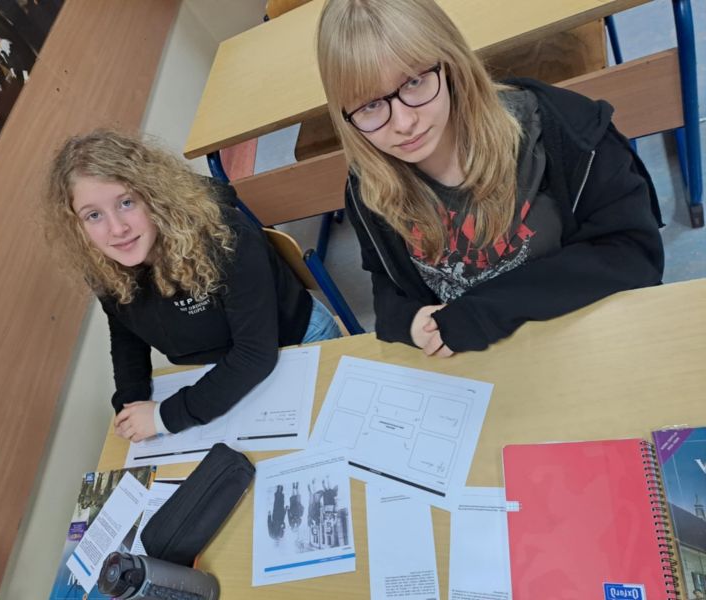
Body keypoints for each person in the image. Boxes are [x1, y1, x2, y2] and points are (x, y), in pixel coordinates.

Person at [316, 0, 663, 356]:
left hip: (581, 339)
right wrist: (407, 320)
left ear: (450, 63)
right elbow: (387, 282)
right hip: (477, 362)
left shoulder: (566, 131)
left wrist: (485, 313)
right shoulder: (369, 187)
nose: (404, 123)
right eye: (371, 105)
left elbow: (634, 255)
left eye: (415, 82)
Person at [44, 130, 340, 443]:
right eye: (93, 215)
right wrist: (131, 401)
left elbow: (255, 354)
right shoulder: (103, 264)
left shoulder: (224, 235)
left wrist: (163, 417)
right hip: (228, 366)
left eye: (126, 202)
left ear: (153, 194)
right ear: (77, 226)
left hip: (295, 343)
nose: (117, 229)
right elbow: (126, 333)